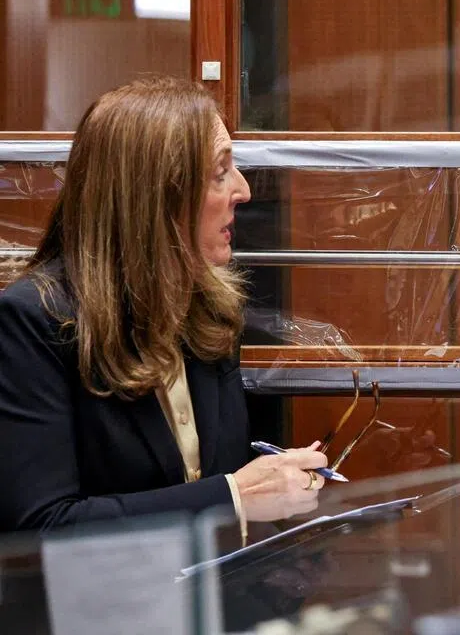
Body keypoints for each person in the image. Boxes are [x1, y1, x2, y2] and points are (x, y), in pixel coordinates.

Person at [0, 76, 328, 535]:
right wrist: (233, 497)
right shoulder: (32, 320)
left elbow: (211, 478)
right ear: (157, 194)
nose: (244, 191)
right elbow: (40, 525)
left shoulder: (208, 310)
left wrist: (282, 530)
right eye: (220, 172)